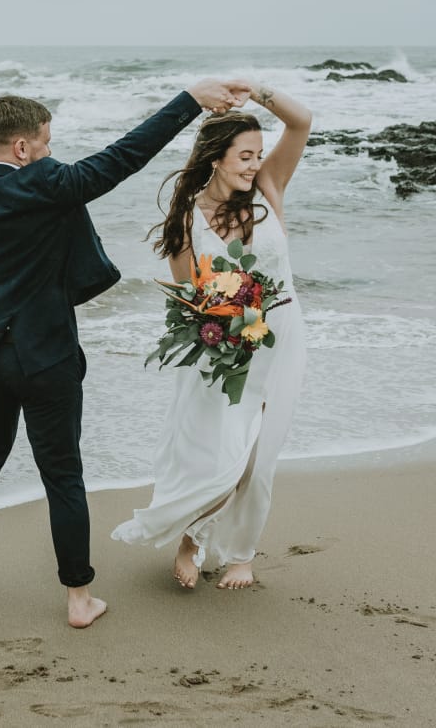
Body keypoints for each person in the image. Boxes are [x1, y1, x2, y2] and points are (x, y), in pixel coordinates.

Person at [0, 78, 252, 628]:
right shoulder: (48, 184)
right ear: (24, 148)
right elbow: (125, 156)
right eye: (47, 143)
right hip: (47, 356)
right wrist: (192, 100)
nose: (52, 153)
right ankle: (79, 599)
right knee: (62, 474)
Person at [111, 84, 312, 590]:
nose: (253, 164)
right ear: (216, 160)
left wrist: (255, 90)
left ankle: (241, 553)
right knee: (216, 448)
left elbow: (302, 121)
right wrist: (221, 328)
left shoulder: (268, 189)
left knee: (259, 453)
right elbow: (188, 296)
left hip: (282, 331)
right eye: (244, 156)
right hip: (224, 341)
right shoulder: (186, 220)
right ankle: (190, 537)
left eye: (257, 155)